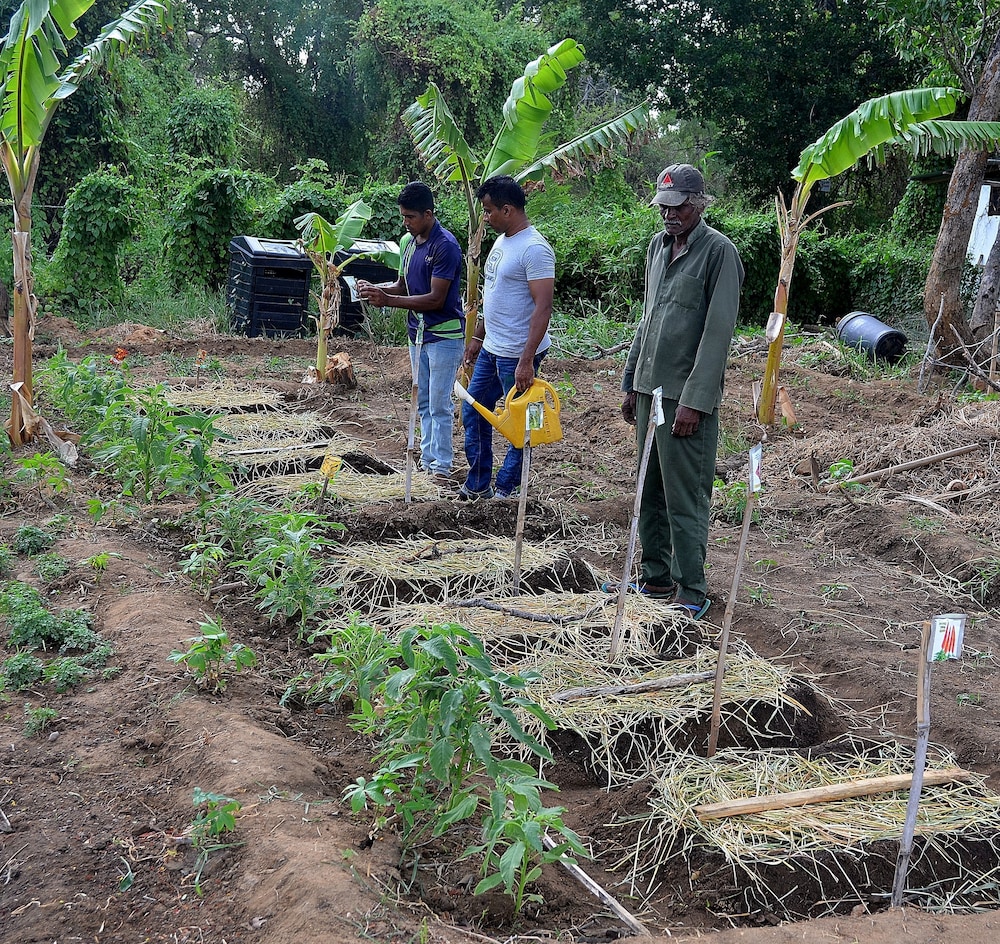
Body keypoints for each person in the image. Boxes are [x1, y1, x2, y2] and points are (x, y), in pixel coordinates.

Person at [614, 163, 744, 619]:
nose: (669, 215)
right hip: (648, 390)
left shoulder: (719, 253)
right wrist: (631, 381)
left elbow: (717, 334)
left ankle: (691, 589)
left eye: (678, 208)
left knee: (684, 495)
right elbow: (648, 318)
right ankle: (655, 577)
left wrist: (694, 401)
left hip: (685, 398)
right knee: (648, 488)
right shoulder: (657, 247)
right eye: (663, 208)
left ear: (698, 205)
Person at [358, 181, 465, 486]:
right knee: (424, 401)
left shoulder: (446, 246)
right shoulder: (408, 242)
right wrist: (376, 290)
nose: (405, 222)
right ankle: (427, 461)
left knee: (440, 403)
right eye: (403, 216)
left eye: (411, 217)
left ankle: (441, 466)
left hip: (444, 336)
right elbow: (403, 286)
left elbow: (435, 299)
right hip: (417, 334)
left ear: (428, 214)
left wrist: (388, 300)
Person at [459, 175, 555, 500]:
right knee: (474, 410)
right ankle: (478, 485)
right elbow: (496, 296)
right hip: (492, 348)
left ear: (508, 210)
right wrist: (478, 337)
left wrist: (527, 360)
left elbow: (543, 307)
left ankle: (506, 489)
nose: (486, 217)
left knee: (523, 423)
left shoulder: (535, 249)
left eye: (489, 211)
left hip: (518, 353)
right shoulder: (502, 241)